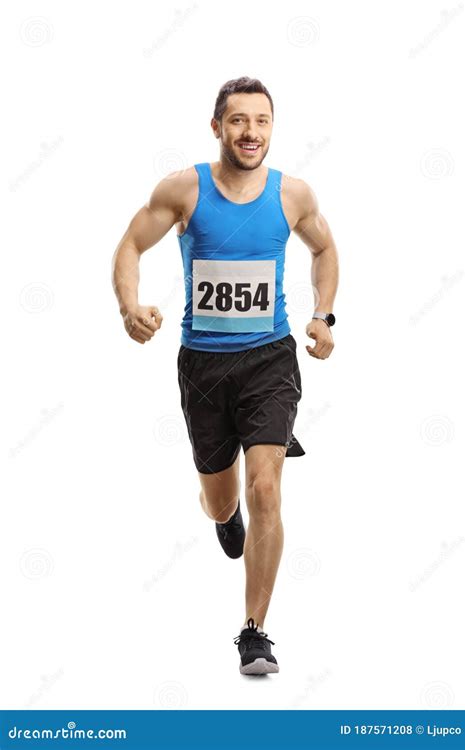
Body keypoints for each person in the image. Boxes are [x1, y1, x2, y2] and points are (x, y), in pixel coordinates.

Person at [112, 76, 339, 675]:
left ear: (272, 128)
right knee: (221, 502)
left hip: (270, 359)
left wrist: (322, 315)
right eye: (238, 121)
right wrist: (130, 305)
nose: (251, 133)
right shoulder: (184, 189)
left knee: (267, 486)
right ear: (217, 127)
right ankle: (224, 515)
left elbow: (325, 250)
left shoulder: (293, 195)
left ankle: (254, 631)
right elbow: (131, 246)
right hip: (204, 367)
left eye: (262, 121)